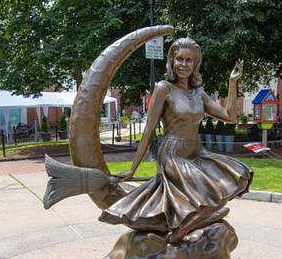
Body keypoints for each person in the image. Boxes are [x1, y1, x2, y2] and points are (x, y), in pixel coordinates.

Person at [100, 38, 253, 243]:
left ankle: (188, 224)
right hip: (172, 155)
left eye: (189, 60)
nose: (183, 64)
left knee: (240, 177)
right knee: (209, 194)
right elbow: (149, 130)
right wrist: (133, 169)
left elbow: (229, 116)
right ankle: (182, 230)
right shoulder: (164, 88)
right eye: (179, 59)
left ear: (195, 64)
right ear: (172, 61)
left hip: (196, 153)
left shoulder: (199, 93)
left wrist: (232, 84)